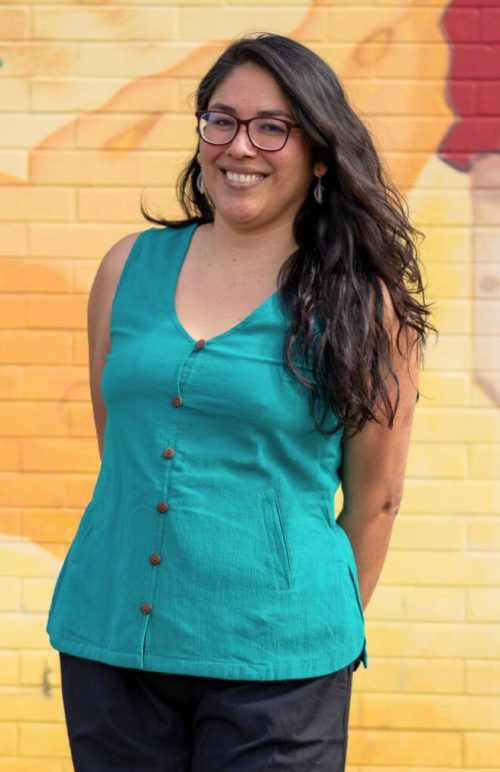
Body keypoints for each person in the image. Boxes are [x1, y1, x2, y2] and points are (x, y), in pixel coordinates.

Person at [46, 32, 433, 772]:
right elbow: (121, 451)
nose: (240, 145)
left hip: (278, 672)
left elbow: (376, 502)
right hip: (110, 642)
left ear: (319, 155)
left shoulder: (364, 306)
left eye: (272, 127)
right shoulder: (126, 268)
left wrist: (302, 632)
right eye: (220, 120)